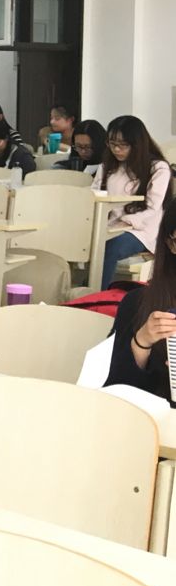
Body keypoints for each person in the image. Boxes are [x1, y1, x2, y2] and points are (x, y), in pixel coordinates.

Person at [106, 199, 176, 405]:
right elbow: (113, 390)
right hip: (152, 419)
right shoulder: (138, 303)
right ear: (171, 244)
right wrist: (142, 341)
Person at [94, 115, 172, 289]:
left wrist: (126, 222)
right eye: (112, 144)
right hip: (108, 226)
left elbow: (152, 208)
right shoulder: (107, 167)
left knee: (109, 247)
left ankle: (99, 293)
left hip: (142, 230)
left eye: (123, 145)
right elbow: (94, 193)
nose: (116, 150)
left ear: (137, 144)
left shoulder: (158, 168)